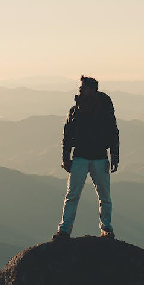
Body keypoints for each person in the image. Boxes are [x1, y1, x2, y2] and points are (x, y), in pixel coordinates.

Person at [52, 75, 120, 240]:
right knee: (76, 195)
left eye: (83, 88)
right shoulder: (75, 110)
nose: (80, 91)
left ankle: (105, 229)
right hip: (84, 157)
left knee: (99, 196)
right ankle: (66, 230)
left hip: (95, 158)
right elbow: (67, 135)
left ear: (92, 90)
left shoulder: (104, 109)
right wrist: (65, 156)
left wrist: (115, 156)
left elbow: (113, 132)